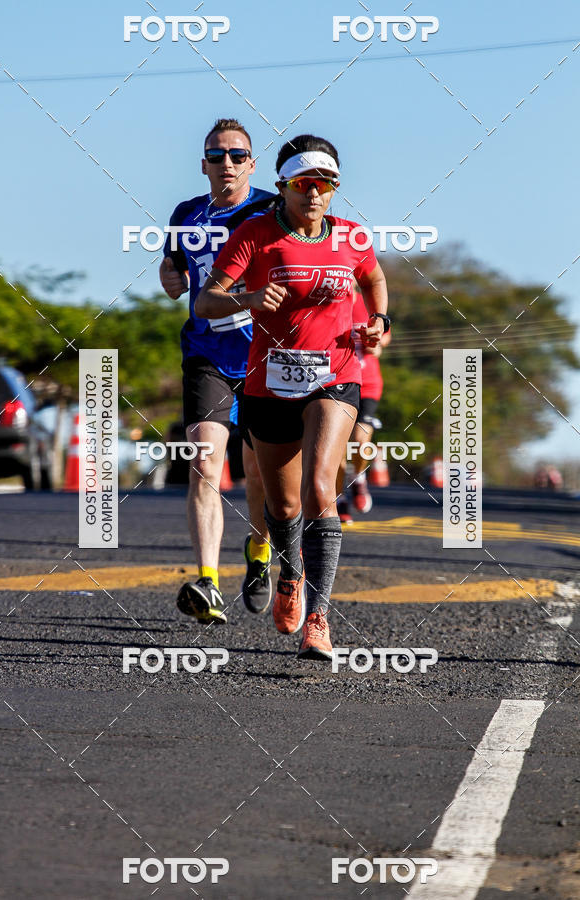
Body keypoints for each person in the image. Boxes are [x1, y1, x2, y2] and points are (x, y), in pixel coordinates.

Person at [195, 134, 390, 660]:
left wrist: (379, 321)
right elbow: (206, 302)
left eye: (325, 185)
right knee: (282, 506)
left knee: (320, 486)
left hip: (335, 377)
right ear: (283, 186)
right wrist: (250, 297)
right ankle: (290, 573)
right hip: (269, 384)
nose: (315, 194)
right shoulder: (255, 234)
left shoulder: (351, 237)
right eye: (304, 184)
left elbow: (374, 280)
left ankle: (319, 620)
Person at [160, 118, 275, 624]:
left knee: (259, 472)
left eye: (236, 155)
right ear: (203, 164)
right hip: (206, 353)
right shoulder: (185, 214)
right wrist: (170, 276)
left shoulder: (272, 210)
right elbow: (173, 271)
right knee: (205, 463)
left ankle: (259, 549)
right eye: (216, 155)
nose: (226, 163)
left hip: (265, 355)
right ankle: (207, 581)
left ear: (252, 163)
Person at [336, 291, 391, 524]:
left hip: (367, 384)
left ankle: (358, 477)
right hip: (335, 381)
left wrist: (375, 344)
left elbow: (384, 338)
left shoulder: (367, 303)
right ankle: (338, 499)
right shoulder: (324, 299)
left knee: (360, 440)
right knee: (335, 446)